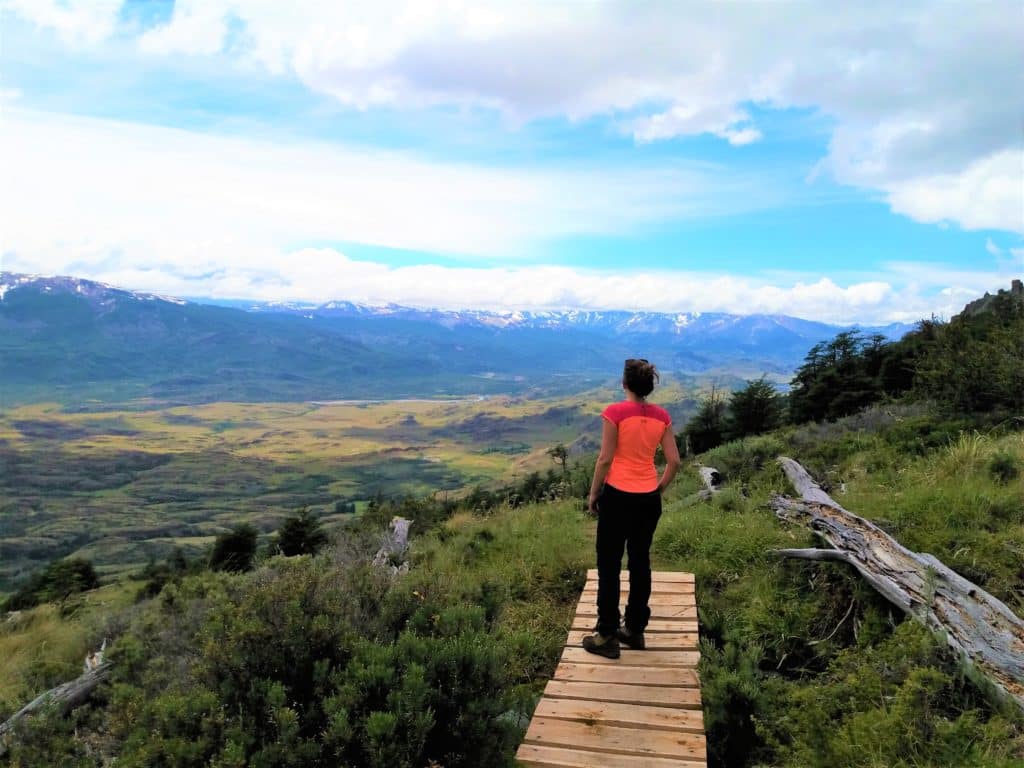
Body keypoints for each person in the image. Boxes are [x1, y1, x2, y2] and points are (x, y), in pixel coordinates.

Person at [583, 358, 681, 658]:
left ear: (624, 384)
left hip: (618, 497)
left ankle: (607, 635)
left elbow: (604, 459)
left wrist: (593, 493)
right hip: (647, 500)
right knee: (640, 562)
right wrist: (658, 488)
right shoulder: (661, 416)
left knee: (609, 564)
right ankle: (635, 630)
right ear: (649, 387)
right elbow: (674, 461)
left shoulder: (614, 413)